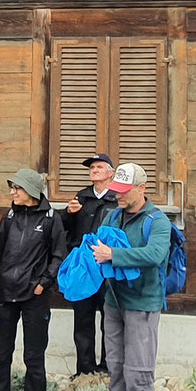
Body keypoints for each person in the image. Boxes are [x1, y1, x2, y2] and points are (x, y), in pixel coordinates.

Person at [0, 167, 69, 391]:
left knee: (34, 358)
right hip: (5, 297)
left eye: (16, 188)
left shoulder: (52, 219)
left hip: (34, 298)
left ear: (30, 191)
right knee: (1, 357)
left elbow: (58, 255)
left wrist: (43, 283)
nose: (12, 193)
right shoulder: (7, 218)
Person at [90, 162, 171, 391]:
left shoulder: (157, 221)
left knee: (137, 375)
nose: (119, 197)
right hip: (114, 303)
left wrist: (115, 255)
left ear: (142, 188)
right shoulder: (113, 215)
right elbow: (98, 245)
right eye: (116, 191)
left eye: (124, 192)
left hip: (143, 306)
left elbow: (155, 255)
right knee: (117, 374)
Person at [60, 153, 118, 376]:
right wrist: (68, 213)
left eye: (100, 166)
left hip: (108, 267)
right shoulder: (81, 197)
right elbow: (62, 226)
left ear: (111, 173)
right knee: (82, 318)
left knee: (109, 319)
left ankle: (106, 369)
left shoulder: (117, 198)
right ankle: (84, 370)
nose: (94, 170)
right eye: (92, 167)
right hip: (83, 267)